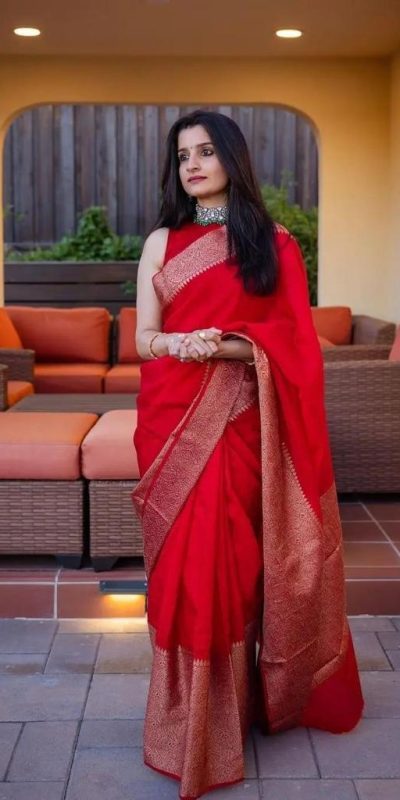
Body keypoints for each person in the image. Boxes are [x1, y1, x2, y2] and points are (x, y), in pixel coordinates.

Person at [131, 109, 364, 800]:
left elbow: (292, 343)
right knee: (184, 571)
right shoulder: (160, 242)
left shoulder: (273, 243)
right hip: (172, 420)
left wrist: (225, 344)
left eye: (206, 152)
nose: (193, 166)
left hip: (241, 424)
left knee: (233, 566)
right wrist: (181, 342)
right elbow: (144, 338)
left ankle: (238, 709)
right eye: (182, 156)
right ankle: (186, 724)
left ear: (232, 158)